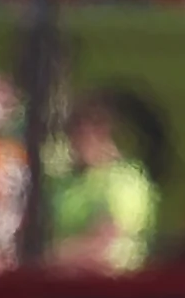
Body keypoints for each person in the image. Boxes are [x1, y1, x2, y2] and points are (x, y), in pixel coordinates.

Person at [44, 99, 153, 271]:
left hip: (111, 285)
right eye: (74, 132)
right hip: (62, 282)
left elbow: (103, 246)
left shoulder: (124, 180)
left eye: (89, 132)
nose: (79, 140)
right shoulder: (62, 181)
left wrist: (48, 255)